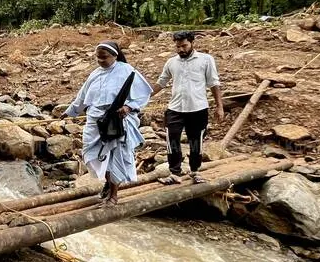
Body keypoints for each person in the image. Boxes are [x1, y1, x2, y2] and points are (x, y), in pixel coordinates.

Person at [61, 41, 152, 206]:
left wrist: (128, 106)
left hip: (117, 121)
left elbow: (142, 94)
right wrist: (69, 112)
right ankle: (108, 184)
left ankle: (114, 195)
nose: (100, 61)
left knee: (114, 157)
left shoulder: (127, 71)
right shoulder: (95, 74)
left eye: (104, 57)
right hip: (95, 120)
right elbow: (82, 97)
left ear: (115, 56)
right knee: (90, 153)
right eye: (98, 57)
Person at [151, 31, 223, 185]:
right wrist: (144, 95)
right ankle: (174, 173)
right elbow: (161, 82)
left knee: (196, 142)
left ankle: (195, 171)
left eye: (184, 46)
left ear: (192, 43)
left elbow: (213, 83)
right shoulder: (171, 62)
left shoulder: (205, 60)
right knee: (173, 139)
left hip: (198, 109)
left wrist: (219, 106)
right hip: (175, 108)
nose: (181, 49)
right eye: (178, 47)